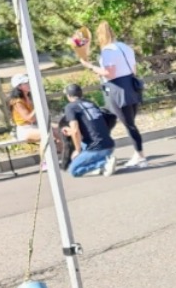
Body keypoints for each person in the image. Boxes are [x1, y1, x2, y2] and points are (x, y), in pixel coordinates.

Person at [80, 21, 147, 169]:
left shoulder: (108, 51)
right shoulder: (125, 47)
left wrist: (90, 66)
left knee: (128, 124)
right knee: (113, 119)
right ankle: (103, 151)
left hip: (116, 89)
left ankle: (139, 155)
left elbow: (109, 74)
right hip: (131, 86)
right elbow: (134, 70)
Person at [61, 83, 117, 178]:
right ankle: (101, 163)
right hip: (109, 145)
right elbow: (90, 127)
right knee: (81, 141)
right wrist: (71, 131)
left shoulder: (70, 107)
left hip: (97, 148)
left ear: (68, 96)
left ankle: (103, 163)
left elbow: (75, 131)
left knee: (74, 171)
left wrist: (77, 151)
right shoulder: (90, 103)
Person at [7, 74, 41, 144]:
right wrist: (38, 106)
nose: (29, 84)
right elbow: (29, 118)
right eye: (26, 83)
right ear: (19, 86)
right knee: (47, 135)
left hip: (35, 126)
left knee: (58, 131)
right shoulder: (17, 102)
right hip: (25, 130)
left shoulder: (30, 97)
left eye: (28, 82)